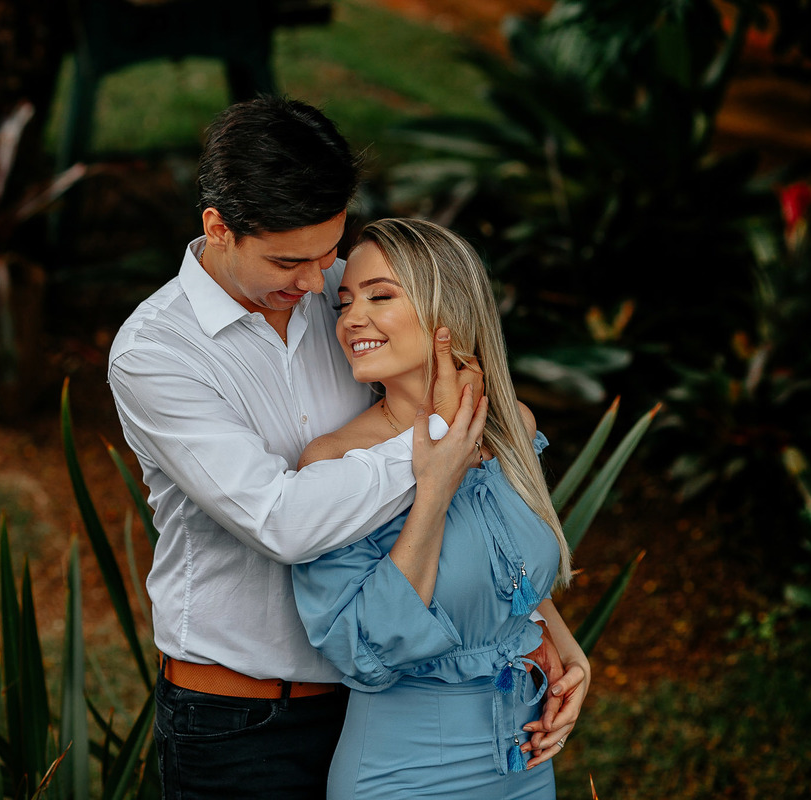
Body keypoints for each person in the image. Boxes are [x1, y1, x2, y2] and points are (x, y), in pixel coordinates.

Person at [108, 97, 584, 799]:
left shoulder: (344, 294)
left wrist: (544, 627)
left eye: (328, 252)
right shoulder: (156, 355)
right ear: (218, 229)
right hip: (243, 722)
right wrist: (443, 442)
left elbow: (466, 511)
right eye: (290, 261)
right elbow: (283, 521)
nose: (317, 285)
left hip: (385, 703)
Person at [291, 218, 591, 799]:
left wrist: (567, 646)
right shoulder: (334, 463)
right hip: (401, 769)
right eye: (345, 302)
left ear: (446, 310)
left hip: (522, 757)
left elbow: (512, 581)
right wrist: (433, 490)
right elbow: (368, 652)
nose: (352, 318)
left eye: (380, 296)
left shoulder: (511, 427)